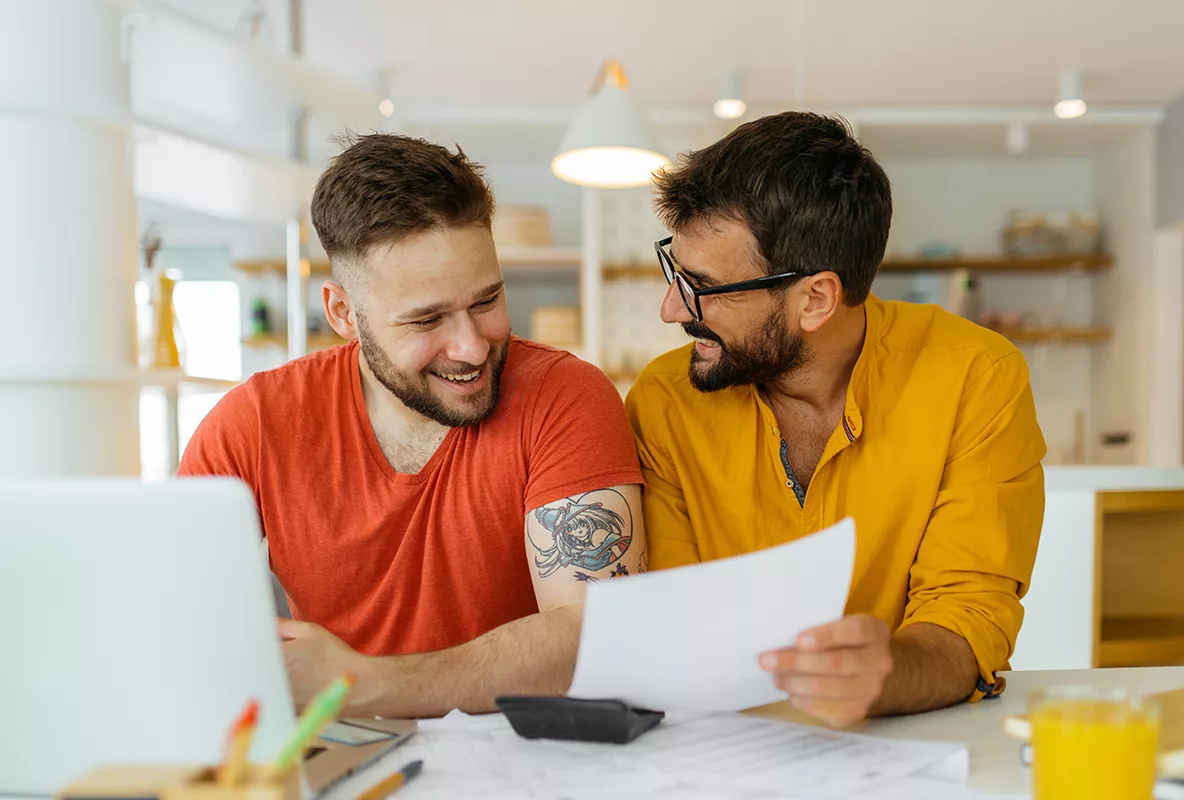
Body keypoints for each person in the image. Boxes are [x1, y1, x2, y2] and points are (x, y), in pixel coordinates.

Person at [179, 134, 646, 717]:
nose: (472, 347)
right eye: (427, 319)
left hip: (530, 764)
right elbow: (175, 615)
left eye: (487, 300)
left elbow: (593, 634)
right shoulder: (252, 425)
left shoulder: (565, 397)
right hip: (339, 759)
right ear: (343, 313)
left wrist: (361, 684)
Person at [626, 112, 1046, 727]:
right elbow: (675, 620)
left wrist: (887, 674)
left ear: (816, 298)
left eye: (703, 286)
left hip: (905, 742)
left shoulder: (975, 375)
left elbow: (970, 612)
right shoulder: (664, 400)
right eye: (675, 271)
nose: (671, 309)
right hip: (717, 747)